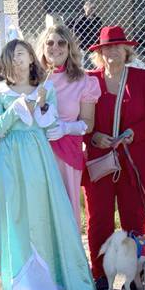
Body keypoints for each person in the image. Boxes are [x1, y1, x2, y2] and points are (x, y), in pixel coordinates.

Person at [0, 39, 98, 290]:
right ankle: (22, 282)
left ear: (31, 59)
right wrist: (17, 110)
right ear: (5, 62)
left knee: (42, 211)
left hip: (39, 156)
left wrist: (41, 106)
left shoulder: (45, 89)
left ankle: (53, 279)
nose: (18, 60)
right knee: (16, 213)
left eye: (22, 54)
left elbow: (48, 125)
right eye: (12, 56)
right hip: (11, 157)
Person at [83, 26, 145, 290]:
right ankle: (101, 274)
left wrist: (133, 133)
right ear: (99, 52)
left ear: (127, 50)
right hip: (100, 160)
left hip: (133, 157)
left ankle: (135, 272)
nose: (111, 50)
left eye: (117, 46)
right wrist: (92, 137)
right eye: (106, 47)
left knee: (134, 217)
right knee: (99, 217)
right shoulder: (90, 79)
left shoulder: (141, 78)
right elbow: (80, 119)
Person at [36, 20, 100, 227]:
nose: (55, 48)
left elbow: (88, 123)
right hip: (36, 152)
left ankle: (67, 258)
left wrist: (66, 128)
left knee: (66, 211)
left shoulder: (83, 81)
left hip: (67, 153)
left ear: (70, 48)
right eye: (50, 43)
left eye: (61, 43)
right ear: (43, 47)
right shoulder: (31, 79)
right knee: (39, 210)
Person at [71, 1, 102, 67]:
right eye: (90, 8)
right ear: (85, 8)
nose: (92, 10)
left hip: (96, 47)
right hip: (85, 48)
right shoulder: (80, 20)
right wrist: (77, 44)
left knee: (96, 66)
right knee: (86, 66)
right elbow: (75, 33)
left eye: (94, 8)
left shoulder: (97, 19)